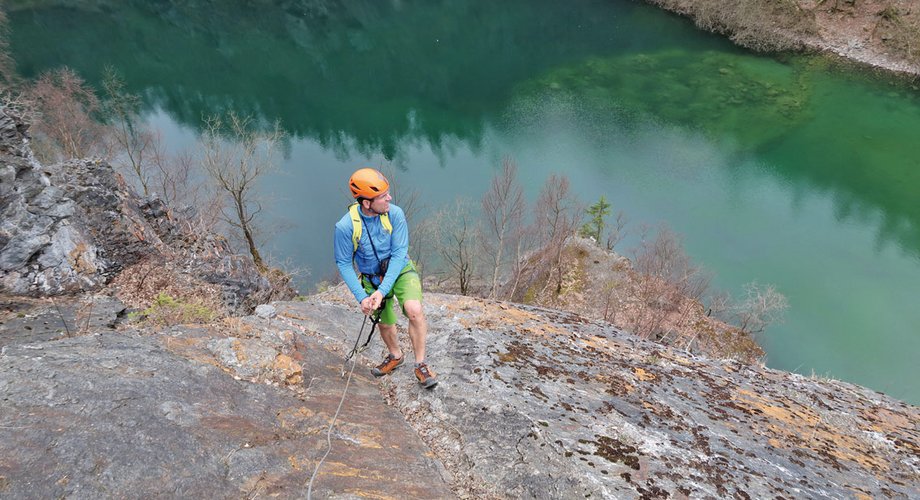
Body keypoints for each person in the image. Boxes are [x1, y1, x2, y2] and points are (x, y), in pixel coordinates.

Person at [333, 168, 437, 388]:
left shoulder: (395, 214)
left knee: (414, 310)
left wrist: (382, 291)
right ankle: (396, 356)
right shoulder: (345, 227)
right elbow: (344, 262)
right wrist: (363, 297)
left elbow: (399, 254)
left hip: (400, 270)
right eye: (382, 196)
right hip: (371, 278)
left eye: (387, 193)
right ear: (367, 203)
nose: (389, 198)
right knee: (384, 322)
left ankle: (421, 364)